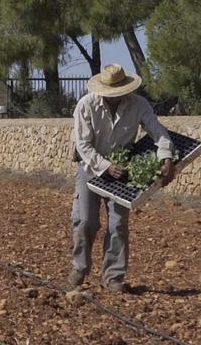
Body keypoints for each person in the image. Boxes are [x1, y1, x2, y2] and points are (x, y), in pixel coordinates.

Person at [70, 63, 174, 293]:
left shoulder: (138, 105)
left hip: (122, 170)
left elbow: (157, 130)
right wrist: (106, 166)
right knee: (86, 221)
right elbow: (84, 146)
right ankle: (80, 267)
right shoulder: (86, 105)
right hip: (90, 168)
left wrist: (166, 155)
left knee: (118, 224)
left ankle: (113, 277)